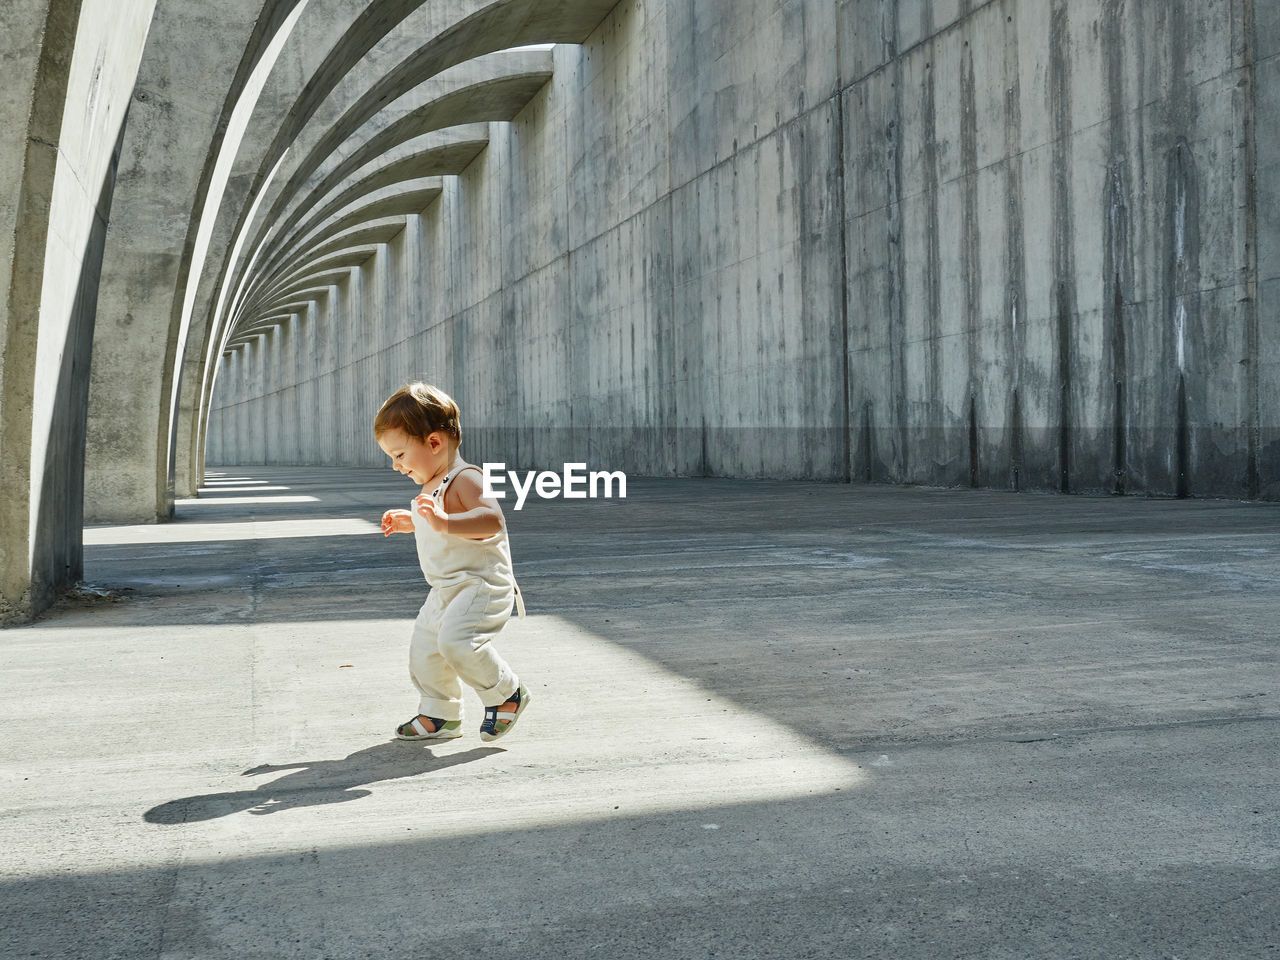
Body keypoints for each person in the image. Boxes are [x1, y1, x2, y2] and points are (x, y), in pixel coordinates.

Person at [374, 382, 529, 742]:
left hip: (481, 585)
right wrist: (410, 521)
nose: (396, 466)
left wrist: (442, 521)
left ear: (433, 443)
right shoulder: (431, 482)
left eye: (399, 455)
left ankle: (507, 694)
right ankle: (440, 714)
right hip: (447, 588)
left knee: (458, 642)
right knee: (425, 649)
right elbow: (437, 523)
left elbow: (492, 520)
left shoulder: (467, 477)